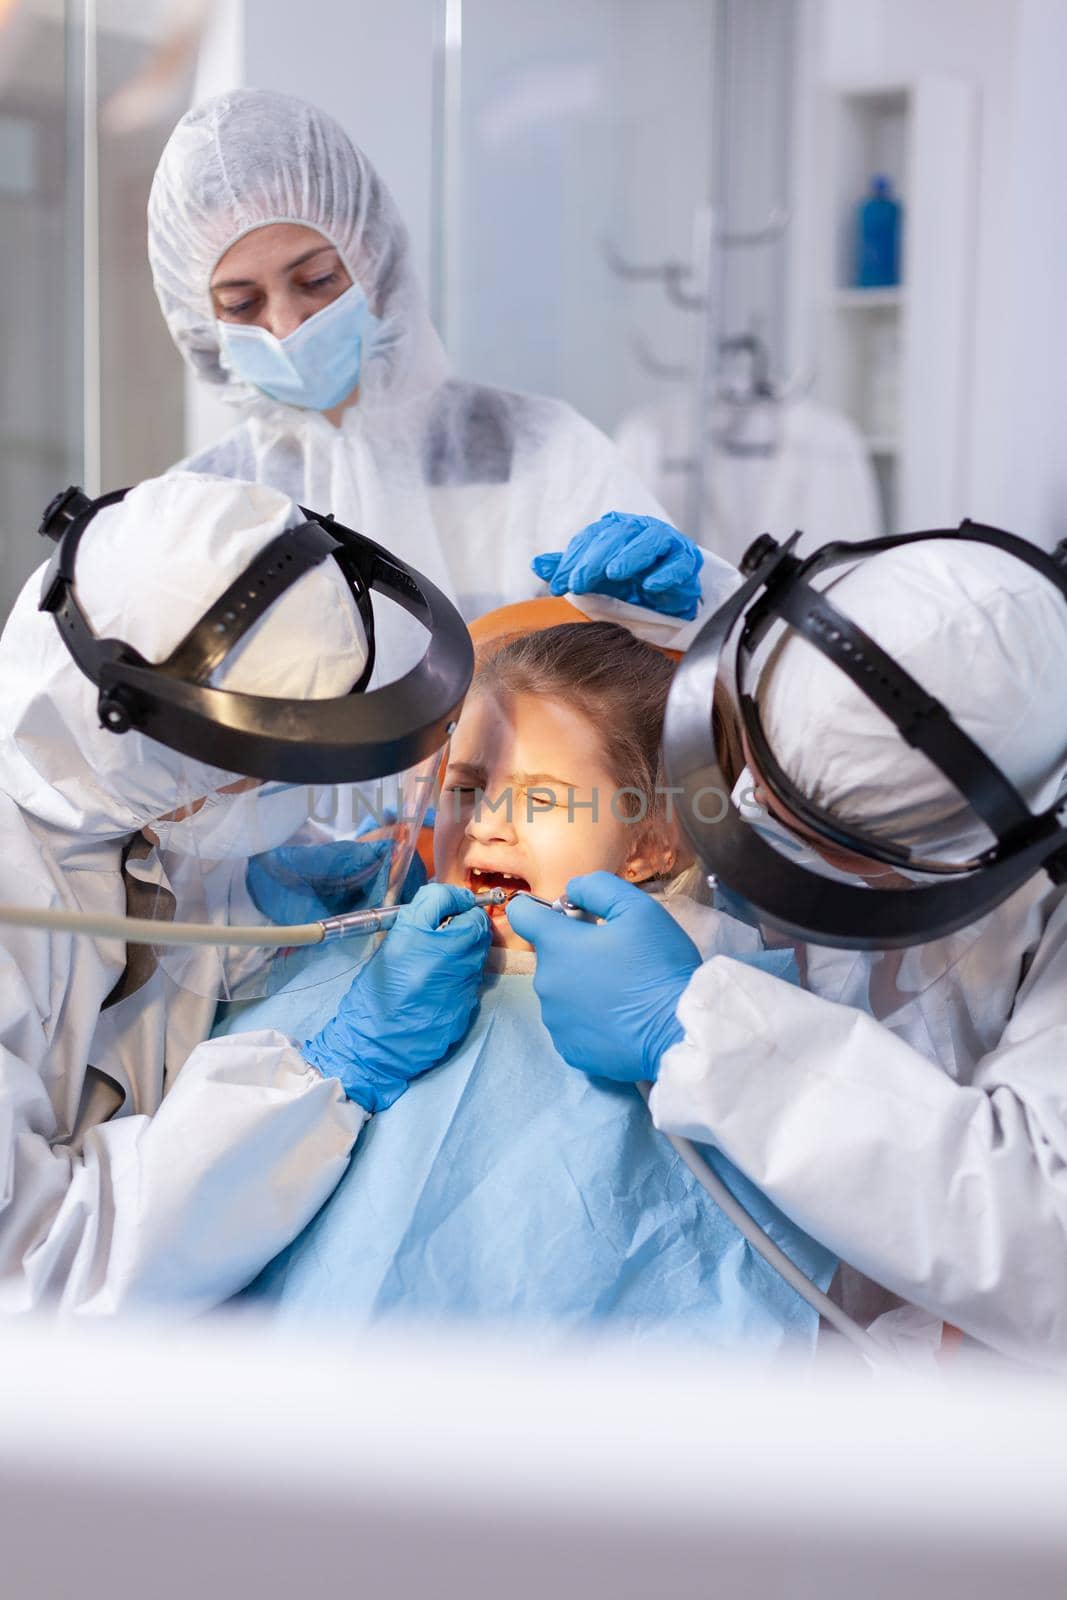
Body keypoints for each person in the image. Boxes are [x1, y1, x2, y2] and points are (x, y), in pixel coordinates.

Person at [509, 532, 1067, 1366]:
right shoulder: (993, 647)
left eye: (806, 828)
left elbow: (1034, 1237)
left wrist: (702, 1037)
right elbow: (903, 674)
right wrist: (720, 621)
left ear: (961, 860)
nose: (734, 810)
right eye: (739, 743)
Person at [215, 620, 833, 1347]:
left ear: (650, 842)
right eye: (464, 788)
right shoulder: (351, 962)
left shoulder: (707, 1010)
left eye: (541, 801)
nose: (484, 826)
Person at [0, 471, 490, 1313]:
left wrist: (298, 908)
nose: (280, 801)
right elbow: (43, 1268)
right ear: (133, 729)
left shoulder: (137, 799)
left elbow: (190, 882)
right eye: (260, 769)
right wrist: (329, 1078)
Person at [147, 89, 736, 674]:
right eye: (243, 304)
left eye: (319, 279)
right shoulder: (199, 510)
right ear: (197, 319)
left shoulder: (537, 449)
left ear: (372, 256)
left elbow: (705, 669)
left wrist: (682, 611)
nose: (287, 327)